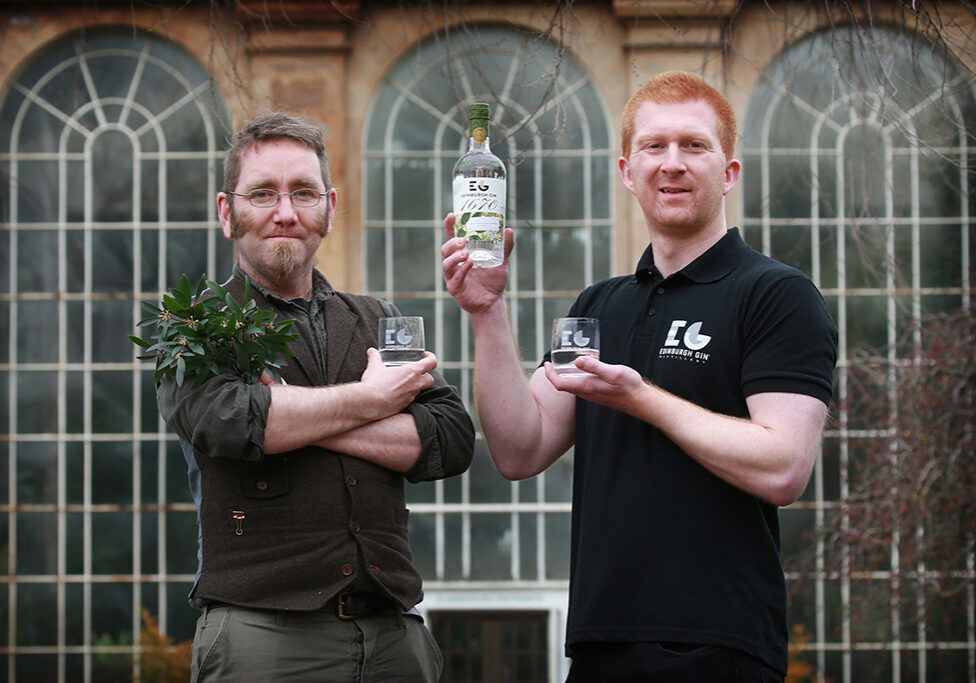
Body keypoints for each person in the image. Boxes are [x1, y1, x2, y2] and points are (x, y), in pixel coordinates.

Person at [441, 71, 837, 681]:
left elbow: (783, 467)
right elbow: (520, 449)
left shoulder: (777, 295)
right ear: (628, 171)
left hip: (718, 645)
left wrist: (643, 399)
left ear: (729, 172)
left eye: (694, 146)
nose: (672, 164)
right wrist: (488, 312)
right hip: (601, 642)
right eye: (654, 147)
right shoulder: (600, 305)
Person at [157, 112, 475, 682]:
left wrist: (296, 412)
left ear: (328, 207)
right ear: (227, 213)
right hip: (263, 639)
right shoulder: (193, 324)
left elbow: (450, 438)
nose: (285, 212)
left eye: (303, 193)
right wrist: (377, 399)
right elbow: (231, 421)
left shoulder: (378, 320)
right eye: (263, 194)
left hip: (394, 638)